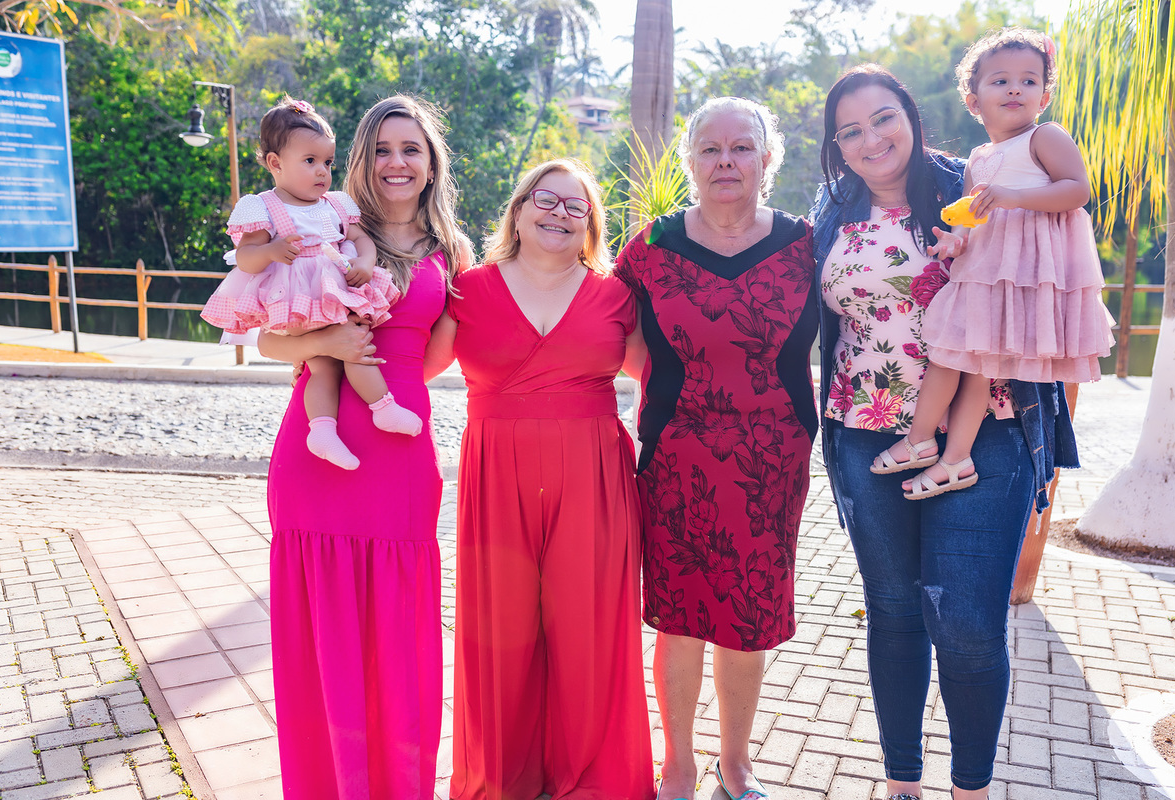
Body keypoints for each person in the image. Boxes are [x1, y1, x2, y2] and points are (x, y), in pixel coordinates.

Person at [809, 64, 1078, 800]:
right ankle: (902, 784)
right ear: (836, 146)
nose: (871, 139)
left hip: (985, 427)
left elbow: (1052, 256)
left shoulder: (977, 182)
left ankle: (971, 789)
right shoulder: (832, 208)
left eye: (883, 118)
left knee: (965, 623)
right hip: (865, 428)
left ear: (913, 115)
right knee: (895, 611)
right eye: (850, 131)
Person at [257, 95, 470, 799]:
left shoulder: (452, 253)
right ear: (361, 159)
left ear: (431, 162)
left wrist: (388, 383)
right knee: (322, 640)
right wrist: (330, 344)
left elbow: (439, 356)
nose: (396, 162)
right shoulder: (325, 227)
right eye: (382, 149)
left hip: (398, 453)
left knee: (397, 637)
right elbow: (266, 339)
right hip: (316, 449)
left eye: (411, 149)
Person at [425, 158, 654, 800]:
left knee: (590, 629)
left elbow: (662, 377)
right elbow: (414, 367)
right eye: (546, 200)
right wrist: (322, 356)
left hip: (595, 476)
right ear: (519, 210)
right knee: (499, 631)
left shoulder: (615, 297)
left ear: (590, 225)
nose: (559, 214)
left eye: (576, 206)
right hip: (496, 475)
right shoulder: (468, 288)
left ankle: (596, 781)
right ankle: (501, 778)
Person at [614, 97, 818, 800]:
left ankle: (737, 763)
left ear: (767, 159)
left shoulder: (806, 245)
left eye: (741, 147)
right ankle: (679, 764)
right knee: (679, 615)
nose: (725, 161)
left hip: (772, 459)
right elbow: (616, 337)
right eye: (710, 148)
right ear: (690, 161)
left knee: (748, 616)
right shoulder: (650, 246)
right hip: (676, 454)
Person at [870, 28, 1112, 500]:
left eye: (1029, 80)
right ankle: (939, 451)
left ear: (1044, 96)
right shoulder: (978, 158)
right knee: (959, 360)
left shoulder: (1044, 136)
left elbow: (1077, 190)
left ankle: (938, 450)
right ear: (974, 101)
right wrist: (954, 242)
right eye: (1001, 81)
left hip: (1021, 277)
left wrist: (1013, 196)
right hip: (981, 273)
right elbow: (970, 218)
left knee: (964, 364)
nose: (1015, 89)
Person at [201, 96, 422, 472]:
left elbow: (361, 239)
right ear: (276, 163)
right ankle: (354, 418)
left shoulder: (335, 203)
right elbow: (245, 257)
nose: (322, 171)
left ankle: (349, 420)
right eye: (310, 161)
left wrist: (365, 262)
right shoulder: (263, 207)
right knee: (330, 359)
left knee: (344, 351)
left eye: (328, 162)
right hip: (296, 295)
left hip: (334, 288)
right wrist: (270, 250)